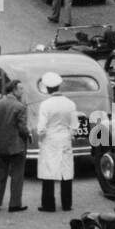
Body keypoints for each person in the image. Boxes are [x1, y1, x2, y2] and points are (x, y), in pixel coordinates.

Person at [36, 71, 78, 212]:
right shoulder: (70, 104)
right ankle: (67, 204)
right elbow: (75, 126)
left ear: (47, 88)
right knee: (66, 171)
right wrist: (69, 135)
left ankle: (48, 204)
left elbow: (41, 128)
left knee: (48, 171)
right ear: (59, 86)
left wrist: (41, 138)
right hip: (65, 138)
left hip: (50, 140)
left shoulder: (45, 105)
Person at [0, 79, 31, 213]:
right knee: (17, 175)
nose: (22, 91)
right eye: (20, 88)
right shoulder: (20, 107)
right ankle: (14, 204)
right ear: (14, 90)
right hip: (16, 146)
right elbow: (22, 128)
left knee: (0, 174)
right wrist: (28, 134)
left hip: (0, 145)